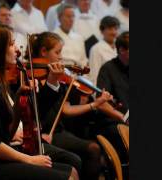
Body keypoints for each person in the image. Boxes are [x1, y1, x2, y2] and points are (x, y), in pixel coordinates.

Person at [0, 23, 79, 180]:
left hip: (1, 155)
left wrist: (19, 105)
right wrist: (30, 160)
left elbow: (6, 134)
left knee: (72, 171)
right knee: (67, 176)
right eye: (12, 44)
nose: (18, 50)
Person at [26, 31, 114, 180]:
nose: (61, 57)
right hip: (40, 133)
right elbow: (35, 111)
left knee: (93, 147)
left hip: (56, 131)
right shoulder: (29, 76)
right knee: (91, 150)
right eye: (57, 52)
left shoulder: (58, 78)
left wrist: (95, 104)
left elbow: (65, 109)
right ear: (43, 52)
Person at [96, 31, 129, 166]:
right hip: (113, 122)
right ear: (121, 50)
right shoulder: (107, 69)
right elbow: (102, 104)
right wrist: (123, 118)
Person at [54, 3, 88, 68]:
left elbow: (83, 61)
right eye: (68, 16)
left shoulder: (79, 38)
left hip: (78, 73)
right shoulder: (52, 37)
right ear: (59, 18)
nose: (71, 19)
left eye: (73, 16)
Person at [89, 16, 120, 86]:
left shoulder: (120, 47)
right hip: (105, 87)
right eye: (110, 29)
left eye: (115, 29)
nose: (114, 32)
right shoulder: (96, 49)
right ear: (102, 30)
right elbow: (94, 74)